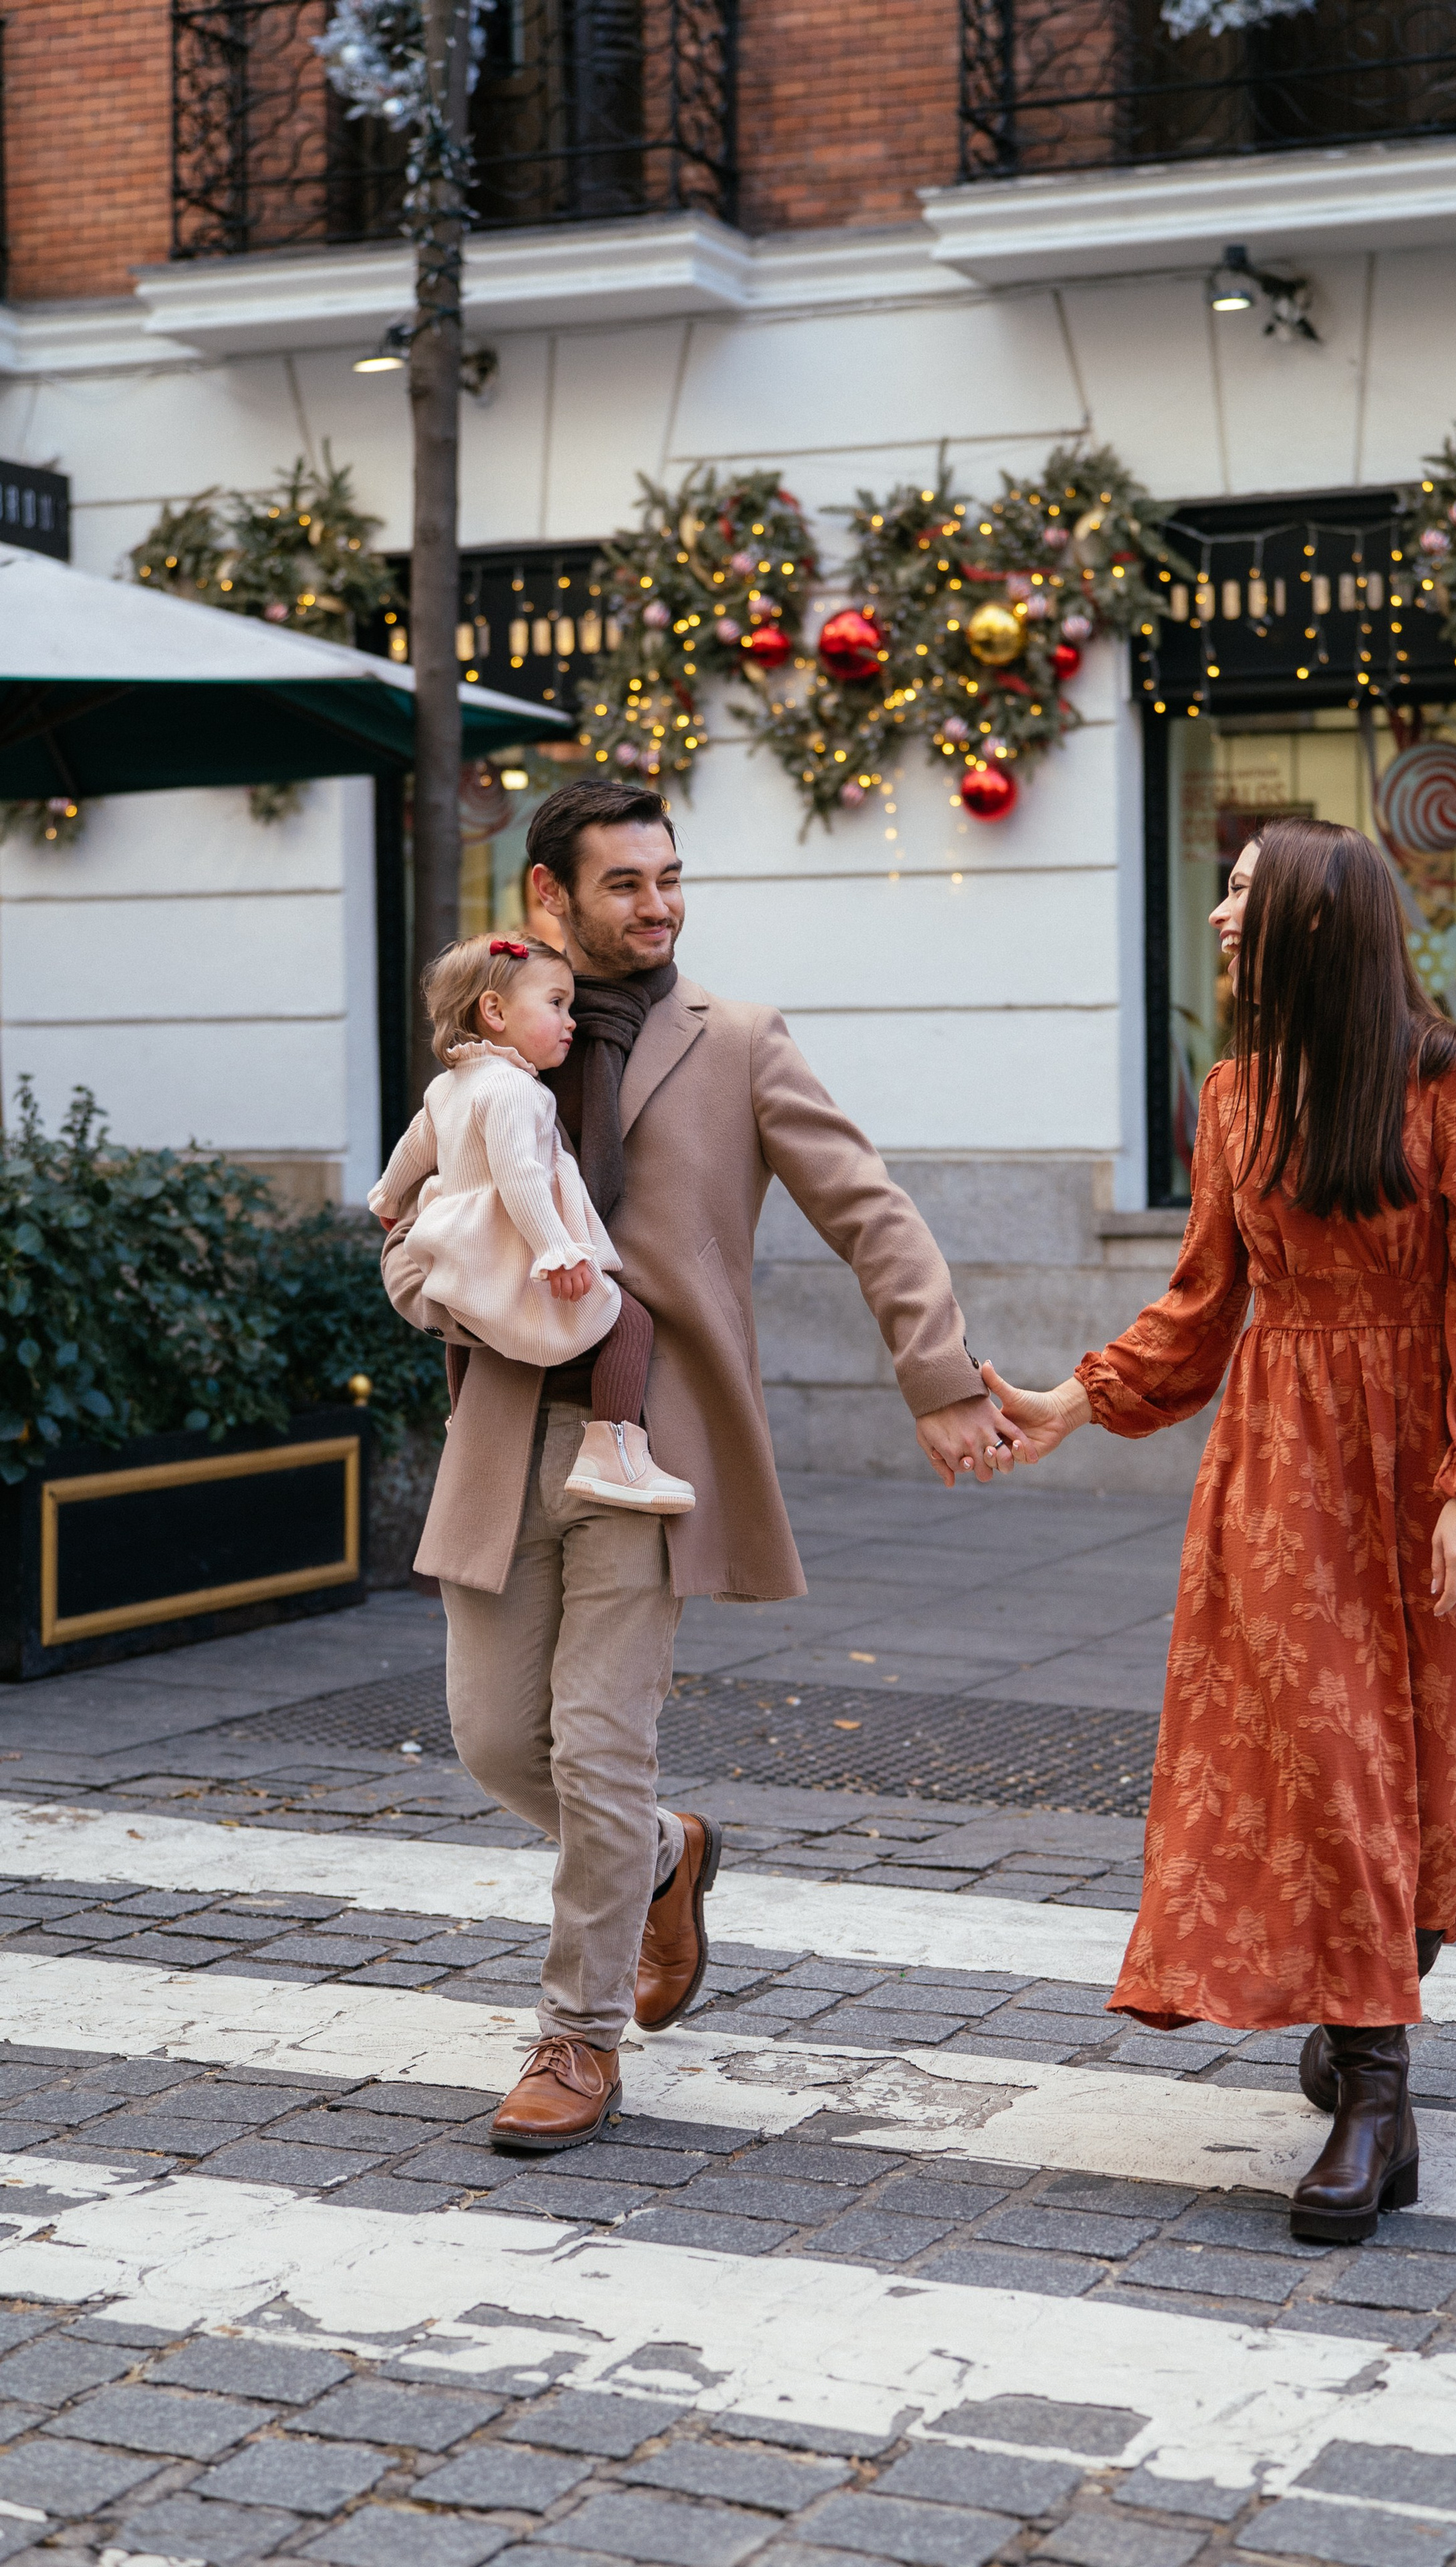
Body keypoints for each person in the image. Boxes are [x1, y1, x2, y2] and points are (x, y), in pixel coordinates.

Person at [380, 775, 1019, 2153]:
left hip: (645, 1448)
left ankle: (578, 2037)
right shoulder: (502, 1038)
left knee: (598, 1751)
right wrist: (422, 1284)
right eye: (625, 883)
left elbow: (870, 1209)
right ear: (549, 894)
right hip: (501, 1431)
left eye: (670, 879)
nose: (659, 906)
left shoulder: (737, 1043)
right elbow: (428, 1204)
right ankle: (668, 1855)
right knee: (497, 1742)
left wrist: (941, 1376)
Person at [985, 816, 1456, 2245]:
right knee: (1324, 1761)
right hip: (1285, 1471)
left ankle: (1371, 2009)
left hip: (1429, 1470)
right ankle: (1374, 2092)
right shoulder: (1235, 1096)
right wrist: (1070, 1403)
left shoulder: (1451, 1078)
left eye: (1241, 894)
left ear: (1309, 918)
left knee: (1431, 1771)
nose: (1220, 917)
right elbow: (1199, 1303)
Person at [370, 931, 693, 1514]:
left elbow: (415, 1148)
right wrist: (557, 1249)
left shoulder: (447, 1085)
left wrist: (388, 1197)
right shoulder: (516, 1089)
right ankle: (614, 1453)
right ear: (494, 1012)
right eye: (556, 1004)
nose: (571, 1021)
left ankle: (464, 1422)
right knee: (628, 1323)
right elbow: (520, 1175)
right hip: (507, 1247)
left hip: (456, 1247)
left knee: (465, 1322)